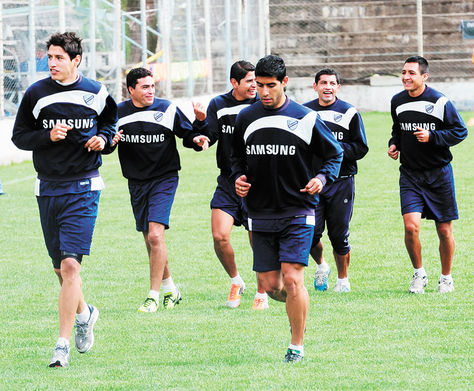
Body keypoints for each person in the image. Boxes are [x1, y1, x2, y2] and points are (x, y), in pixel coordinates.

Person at [11, 32, 118, 368]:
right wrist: (47, 135)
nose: (52, 63)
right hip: (48, 188)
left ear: (76, 60)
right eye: (49, 57)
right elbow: (19, 137)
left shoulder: (97, 93)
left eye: (59, 57)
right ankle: (85, 314)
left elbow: (110, 125)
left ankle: (61, 346)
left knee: (72, 266)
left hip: (84, 187)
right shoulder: (36, 95)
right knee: (60, 268)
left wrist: (103, 140)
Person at [231, 55, 343, 362]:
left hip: (298, 209)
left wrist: (322, 177)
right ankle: (298, 303)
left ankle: (296, 345)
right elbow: (235, 159)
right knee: (270, 286)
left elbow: (335, 154)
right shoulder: (245, 118)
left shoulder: (305, 118)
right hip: (259, 212)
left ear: (284, 83)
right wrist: (237, 179)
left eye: (270, 86)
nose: (264, 92)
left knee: (294, 279)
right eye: (259, 86)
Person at [112, 67, 209, 313]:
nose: (150, 91)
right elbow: (106, 143)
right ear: (130, 89)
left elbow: (189, 136)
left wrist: (198, 131)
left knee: (155, 236)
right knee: (150, 239)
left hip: (164, 179)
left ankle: (153, 296)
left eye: (152, 86)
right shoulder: (118, 113)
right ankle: (170, 288)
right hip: (136, 182)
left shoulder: (167, 108)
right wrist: (109, 142)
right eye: (144, 87)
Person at [193, 61, 269, 310]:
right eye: (249, 81)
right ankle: (236, 281)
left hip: (257, 182)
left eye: (255, 81)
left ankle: (262, 292)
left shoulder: (261, 104)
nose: (254, 86)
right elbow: (211, 135)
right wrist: (201, 128)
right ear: (234, 83)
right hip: (228, 181)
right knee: (219, 236)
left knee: (256, 239)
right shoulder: (219, 104)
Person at [388, 56, 468, 294]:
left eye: (411, 73)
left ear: (424, 77)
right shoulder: (397, 102)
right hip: (410, 175)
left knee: (444, 230)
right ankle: (419, 273)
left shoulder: (440, 101)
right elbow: (397, 130)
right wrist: (395, 144)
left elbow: (460, 131)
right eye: (403, 72)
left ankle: (446, 277)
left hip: (439, 174)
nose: (406, 77)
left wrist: (433, 137)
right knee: (411, 227)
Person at [303, 68, 368, 292]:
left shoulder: (349, 113)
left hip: (341, 182)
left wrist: (335, 148)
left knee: (339, 235)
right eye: (323, 83)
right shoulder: (305, 112)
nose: (327, 87)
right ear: (315, 86)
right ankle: (322, 266)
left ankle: (343, 280)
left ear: (338, 87)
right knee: (309, 233)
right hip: (313, 183)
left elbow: (361, 147)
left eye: (332, 83)